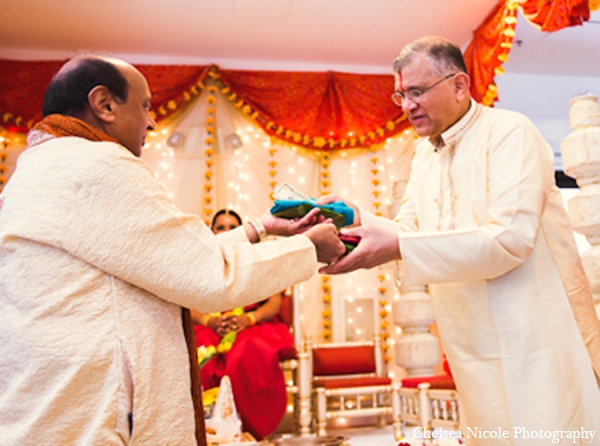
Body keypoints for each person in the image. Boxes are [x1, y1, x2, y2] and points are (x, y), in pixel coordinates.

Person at [0, 54, 346, 445]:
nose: (151, 121)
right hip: (97, 412)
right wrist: (310, 249)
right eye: (145, 106)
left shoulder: (38, 169)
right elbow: (208, 276)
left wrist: (259, 228)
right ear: (104, 104)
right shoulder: (100, 165)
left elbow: (162, 257)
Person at [319, 36, 600, 444]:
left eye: (417, 91)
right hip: (470, 347)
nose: (407, 105)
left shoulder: (510, 132)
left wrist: (396, 244)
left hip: (535, 339)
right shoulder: (423, 156)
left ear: (460, 85)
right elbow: (411, 233)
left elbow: (509, 239)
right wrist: (356, 220)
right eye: (401, 94)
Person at [191, 209, 295, 440]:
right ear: (211, 231)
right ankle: (206, 431)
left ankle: (249, 430)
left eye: (232, 227)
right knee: (200, 349)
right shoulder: (198, 262)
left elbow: (273, 303)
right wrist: (210, 320)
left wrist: (248, 319)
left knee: (246, 352)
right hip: (212, 323)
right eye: (220, 227)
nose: (226, 231)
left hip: (253, 324)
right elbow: (186, 305)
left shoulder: (258, 259)